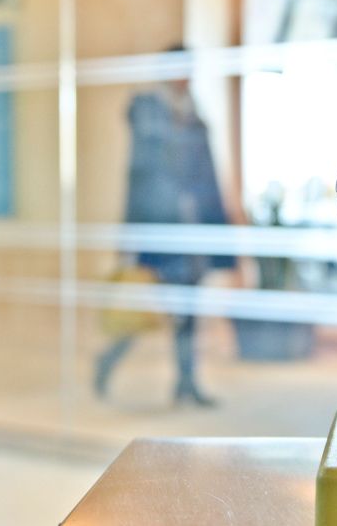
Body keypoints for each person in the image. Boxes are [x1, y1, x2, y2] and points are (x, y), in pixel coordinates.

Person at [95, 46, 234, 406]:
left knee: (187, 312)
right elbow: (139, 177)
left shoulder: (193, 114)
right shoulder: (150, 112)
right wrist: (131, 236)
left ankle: (186, 383)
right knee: (144, 308)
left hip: (193, 232)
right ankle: (107, 360)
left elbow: (207, 177)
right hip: (161, 231)